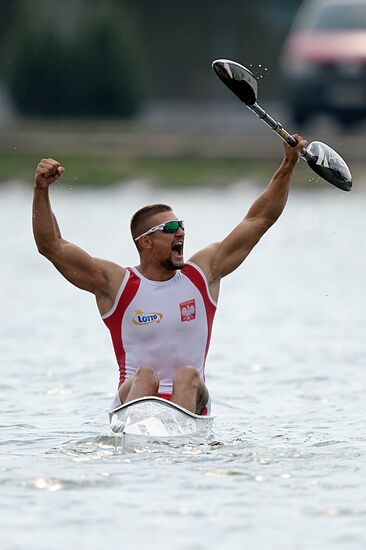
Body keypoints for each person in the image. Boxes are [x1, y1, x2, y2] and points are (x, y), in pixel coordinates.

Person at [32, 135, 306, 417]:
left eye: (182, 225)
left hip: (192, 403)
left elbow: (258, 220)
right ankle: (143, 432)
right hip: (134, 400)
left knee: (186, 375)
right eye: (171, 227)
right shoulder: (116, 284)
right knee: (145, 376)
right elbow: (52, 247)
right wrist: (41, 189)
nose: (181, 232)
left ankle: (179, 441)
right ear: (146, 242)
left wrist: (288, 164)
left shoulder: (203, 273)